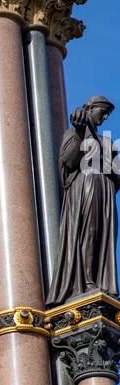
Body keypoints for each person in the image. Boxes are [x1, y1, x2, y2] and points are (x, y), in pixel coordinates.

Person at [47, 97, 118, 305]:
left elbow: (116, 172)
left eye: (108, 114)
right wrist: (79, 132)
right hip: (86, 186)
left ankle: (99, 280)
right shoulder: (73, 132)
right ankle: (85, 280)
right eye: (102, 111)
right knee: (89, 231)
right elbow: (68, 161)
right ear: (90, 108)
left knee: (104, 237)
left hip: (105, 191)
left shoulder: (106, 142)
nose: (104, 117)